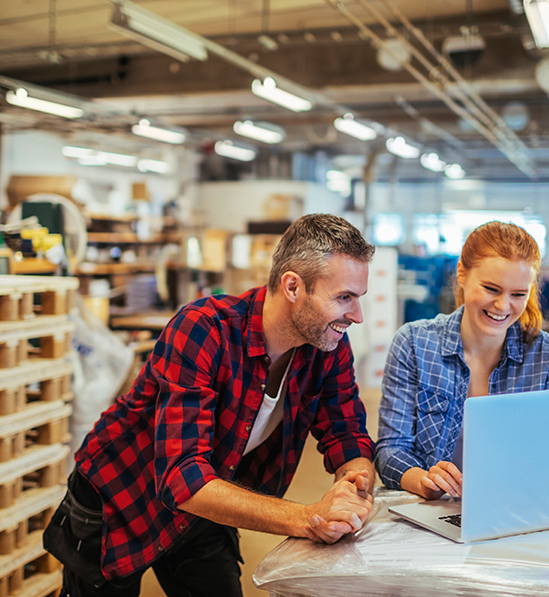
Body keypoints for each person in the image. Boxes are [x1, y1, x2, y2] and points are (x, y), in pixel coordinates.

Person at [44, 213, 376, 597]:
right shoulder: (204, 329)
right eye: (344, 298)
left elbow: (346, 431)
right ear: (292, 287)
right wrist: (308, 516)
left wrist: (355, 483)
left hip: (208, 505)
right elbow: (182, 478)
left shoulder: (326, 344)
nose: (356, 316)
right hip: (120, 498)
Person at [375, 221, 549, 500]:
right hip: (431, 510)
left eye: (518, 294)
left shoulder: (548, 360)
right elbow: (391, 449)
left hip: (514, 507)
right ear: (462, 274)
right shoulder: (413, 344)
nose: (503, 306)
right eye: (491, 289)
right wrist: (423, 481)